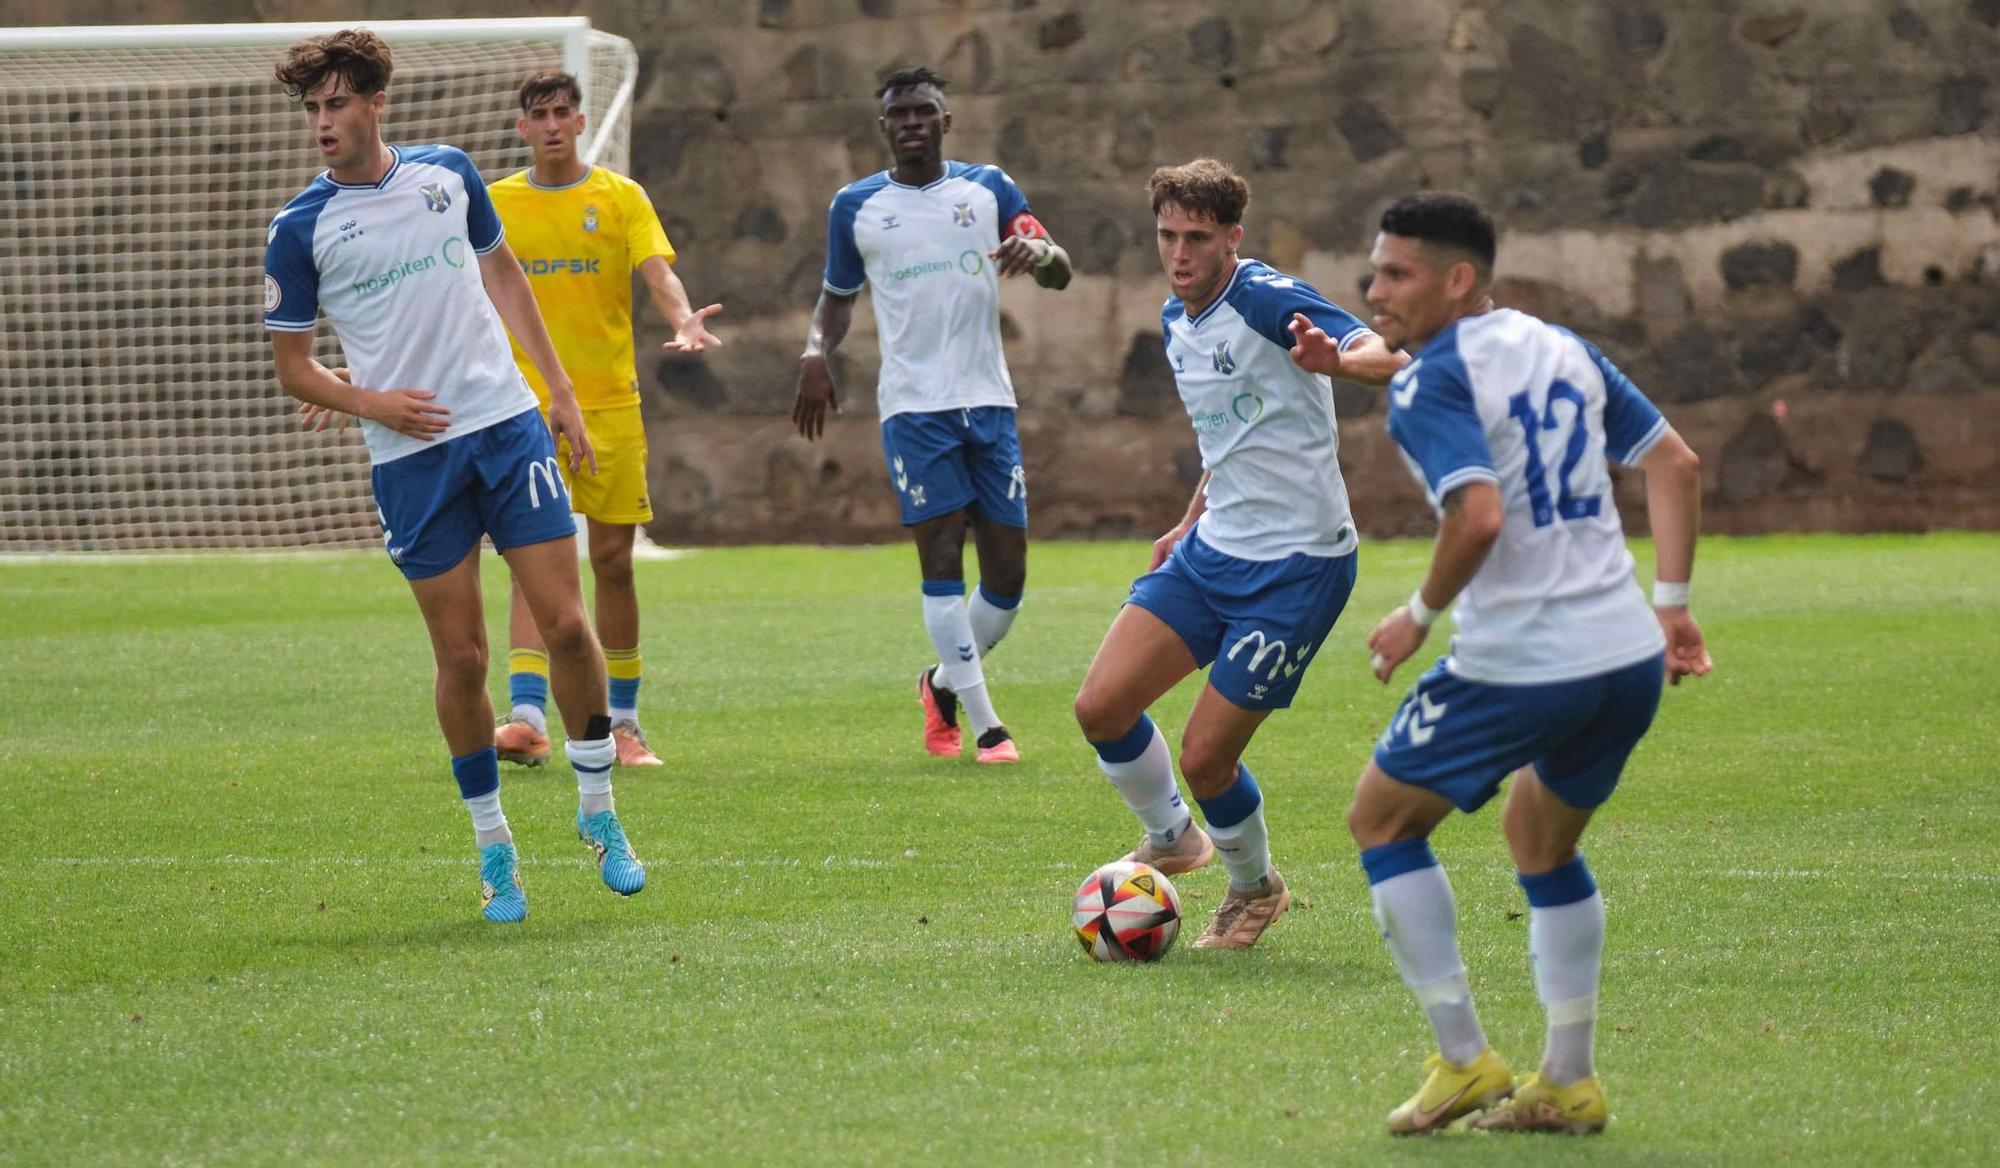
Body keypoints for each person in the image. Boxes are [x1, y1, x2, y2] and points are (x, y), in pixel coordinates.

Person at [1300, 191, 1711, 1133]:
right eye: (1374, 269)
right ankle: (1567, 1081)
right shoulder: (1561, 346)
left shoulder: (1430, 384)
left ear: (1459, 279)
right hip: (1624, 657)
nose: (1375, 288)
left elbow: (1476, 513)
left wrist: (1415, 616)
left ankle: (1462, 1061)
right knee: (1540, 842)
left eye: (1397, 273)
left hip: (1526, 659)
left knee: (1381, 820)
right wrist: (1675, 612)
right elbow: (1675, 464)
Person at [263, 30, 647, 923]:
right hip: (412, 460)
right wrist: (376, 405)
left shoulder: (447, 174)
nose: (322, 122)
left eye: (336, 104)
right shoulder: (299, 228)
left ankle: (600, 814)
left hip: (505, 427)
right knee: (464, 655)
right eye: (312, 108)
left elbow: (504, 275)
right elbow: (293, 369)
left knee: (565, 623)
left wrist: (558, 392)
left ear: (374, 103)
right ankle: (494, 845)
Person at [1071, 159, 1406, 949]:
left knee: (1206, 758)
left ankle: (1255, 890)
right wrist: (1189, 518)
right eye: (1167, 236)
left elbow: (1387, 354)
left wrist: (1337, 362)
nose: (1180, 253)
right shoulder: (1176, 321)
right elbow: (1227, 435)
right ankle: (1175, 839)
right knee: (1102, 708)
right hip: (1213, 549)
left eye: (1197, 237)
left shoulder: (1265, 297)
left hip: (1297, 567)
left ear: (1232, 237)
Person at [792, 66, 1071, 765]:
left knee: (1007, 578)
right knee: (942, 555)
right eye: (900, 114)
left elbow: (1059, 265)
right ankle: (987, 726)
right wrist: (814, 350)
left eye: (925, 111)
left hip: (990, 402)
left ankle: (940, 683)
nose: (913, 122)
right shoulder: (854, 207)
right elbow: (836, 295)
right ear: (883, 127)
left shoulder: (989, 189)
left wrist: (1037, 252)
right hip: (915, 408)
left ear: (947, 122)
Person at [487, 70, 724, 771]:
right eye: (540, 114)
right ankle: (527, 717)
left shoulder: (620, 197)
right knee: (531, 563)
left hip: (611, 406)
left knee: (613, 562)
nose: (553, 123)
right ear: (523, 127)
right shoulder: (496, 204)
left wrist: (682, 318)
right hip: (523, 408)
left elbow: (656, 272)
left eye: (563, 111)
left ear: (581, 121)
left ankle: (624, 722)